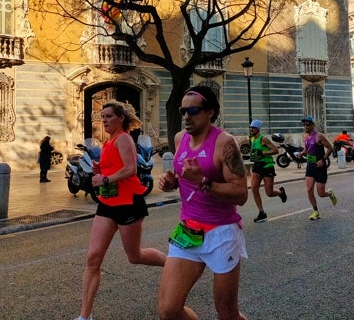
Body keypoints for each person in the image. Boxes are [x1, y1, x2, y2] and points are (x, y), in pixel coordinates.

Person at [158, 86, 249, 320]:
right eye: (183, 111)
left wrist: (203, 182)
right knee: (168, 310)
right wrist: (172, 182)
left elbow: (240, 193)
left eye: (194, 110)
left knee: (227, 314)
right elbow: (184, 176)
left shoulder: (225, 144)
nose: (187, 116)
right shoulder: (180, 139)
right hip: (188, 230)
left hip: (221, 233)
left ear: (210, 112)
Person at [74, 100, 166, 320]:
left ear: (121, 118)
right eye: (102, 116)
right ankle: (84, 316)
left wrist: (104, 178)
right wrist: (100, 168)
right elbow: (114, 167)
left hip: (128, 203)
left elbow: (130, 169)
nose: (104, 120)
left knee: (135, 256)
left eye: (108, 116)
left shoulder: (124, 139)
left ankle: (172, 265)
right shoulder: (108, 142)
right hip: (107, 205)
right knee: (93, 258)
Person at [297, 116, 337, 221]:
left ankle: (330, 194)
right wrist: (302, 153)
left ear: (313, 125)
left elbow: (330, 148)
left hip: (320, 167)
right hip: (310, 166)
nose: (306, 126)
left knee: (321, 193)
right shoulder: (305, 136)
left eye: (308, 124)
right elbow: (307, 149)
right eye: (304, 125)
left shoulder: (319, 136)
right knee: (309, 189)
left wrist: (323, 160)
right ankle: (315, 211)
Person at [248, 119, 286, 223]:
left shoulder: (263, 139)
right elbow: (255, 152)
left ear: (258, 129)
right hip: (257, 166)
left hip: (267, 166)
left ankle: (280, 192)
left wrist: (262, 153)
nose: (251, 129)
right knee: (254, 188)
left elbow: (275, 150)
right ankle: (262, 213)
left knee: (269, 192)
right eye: (250, 127)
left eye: (253, 128)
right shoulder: (252, 139)